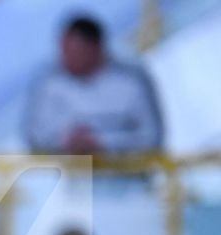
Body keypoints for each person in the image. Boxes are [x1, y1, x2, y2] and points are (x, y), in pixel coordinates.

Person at [25, 12, 164, 155]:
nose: (64, 58)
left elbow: (152, 137)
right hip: (71, 175)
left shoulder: (132, 80)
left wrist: (103, 143)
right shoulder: (49, 86)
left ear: (95, 47)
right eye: (63, 50)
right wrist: (67, 141)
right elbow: (36, 137)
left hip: (128, 174)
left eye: (73, 51)